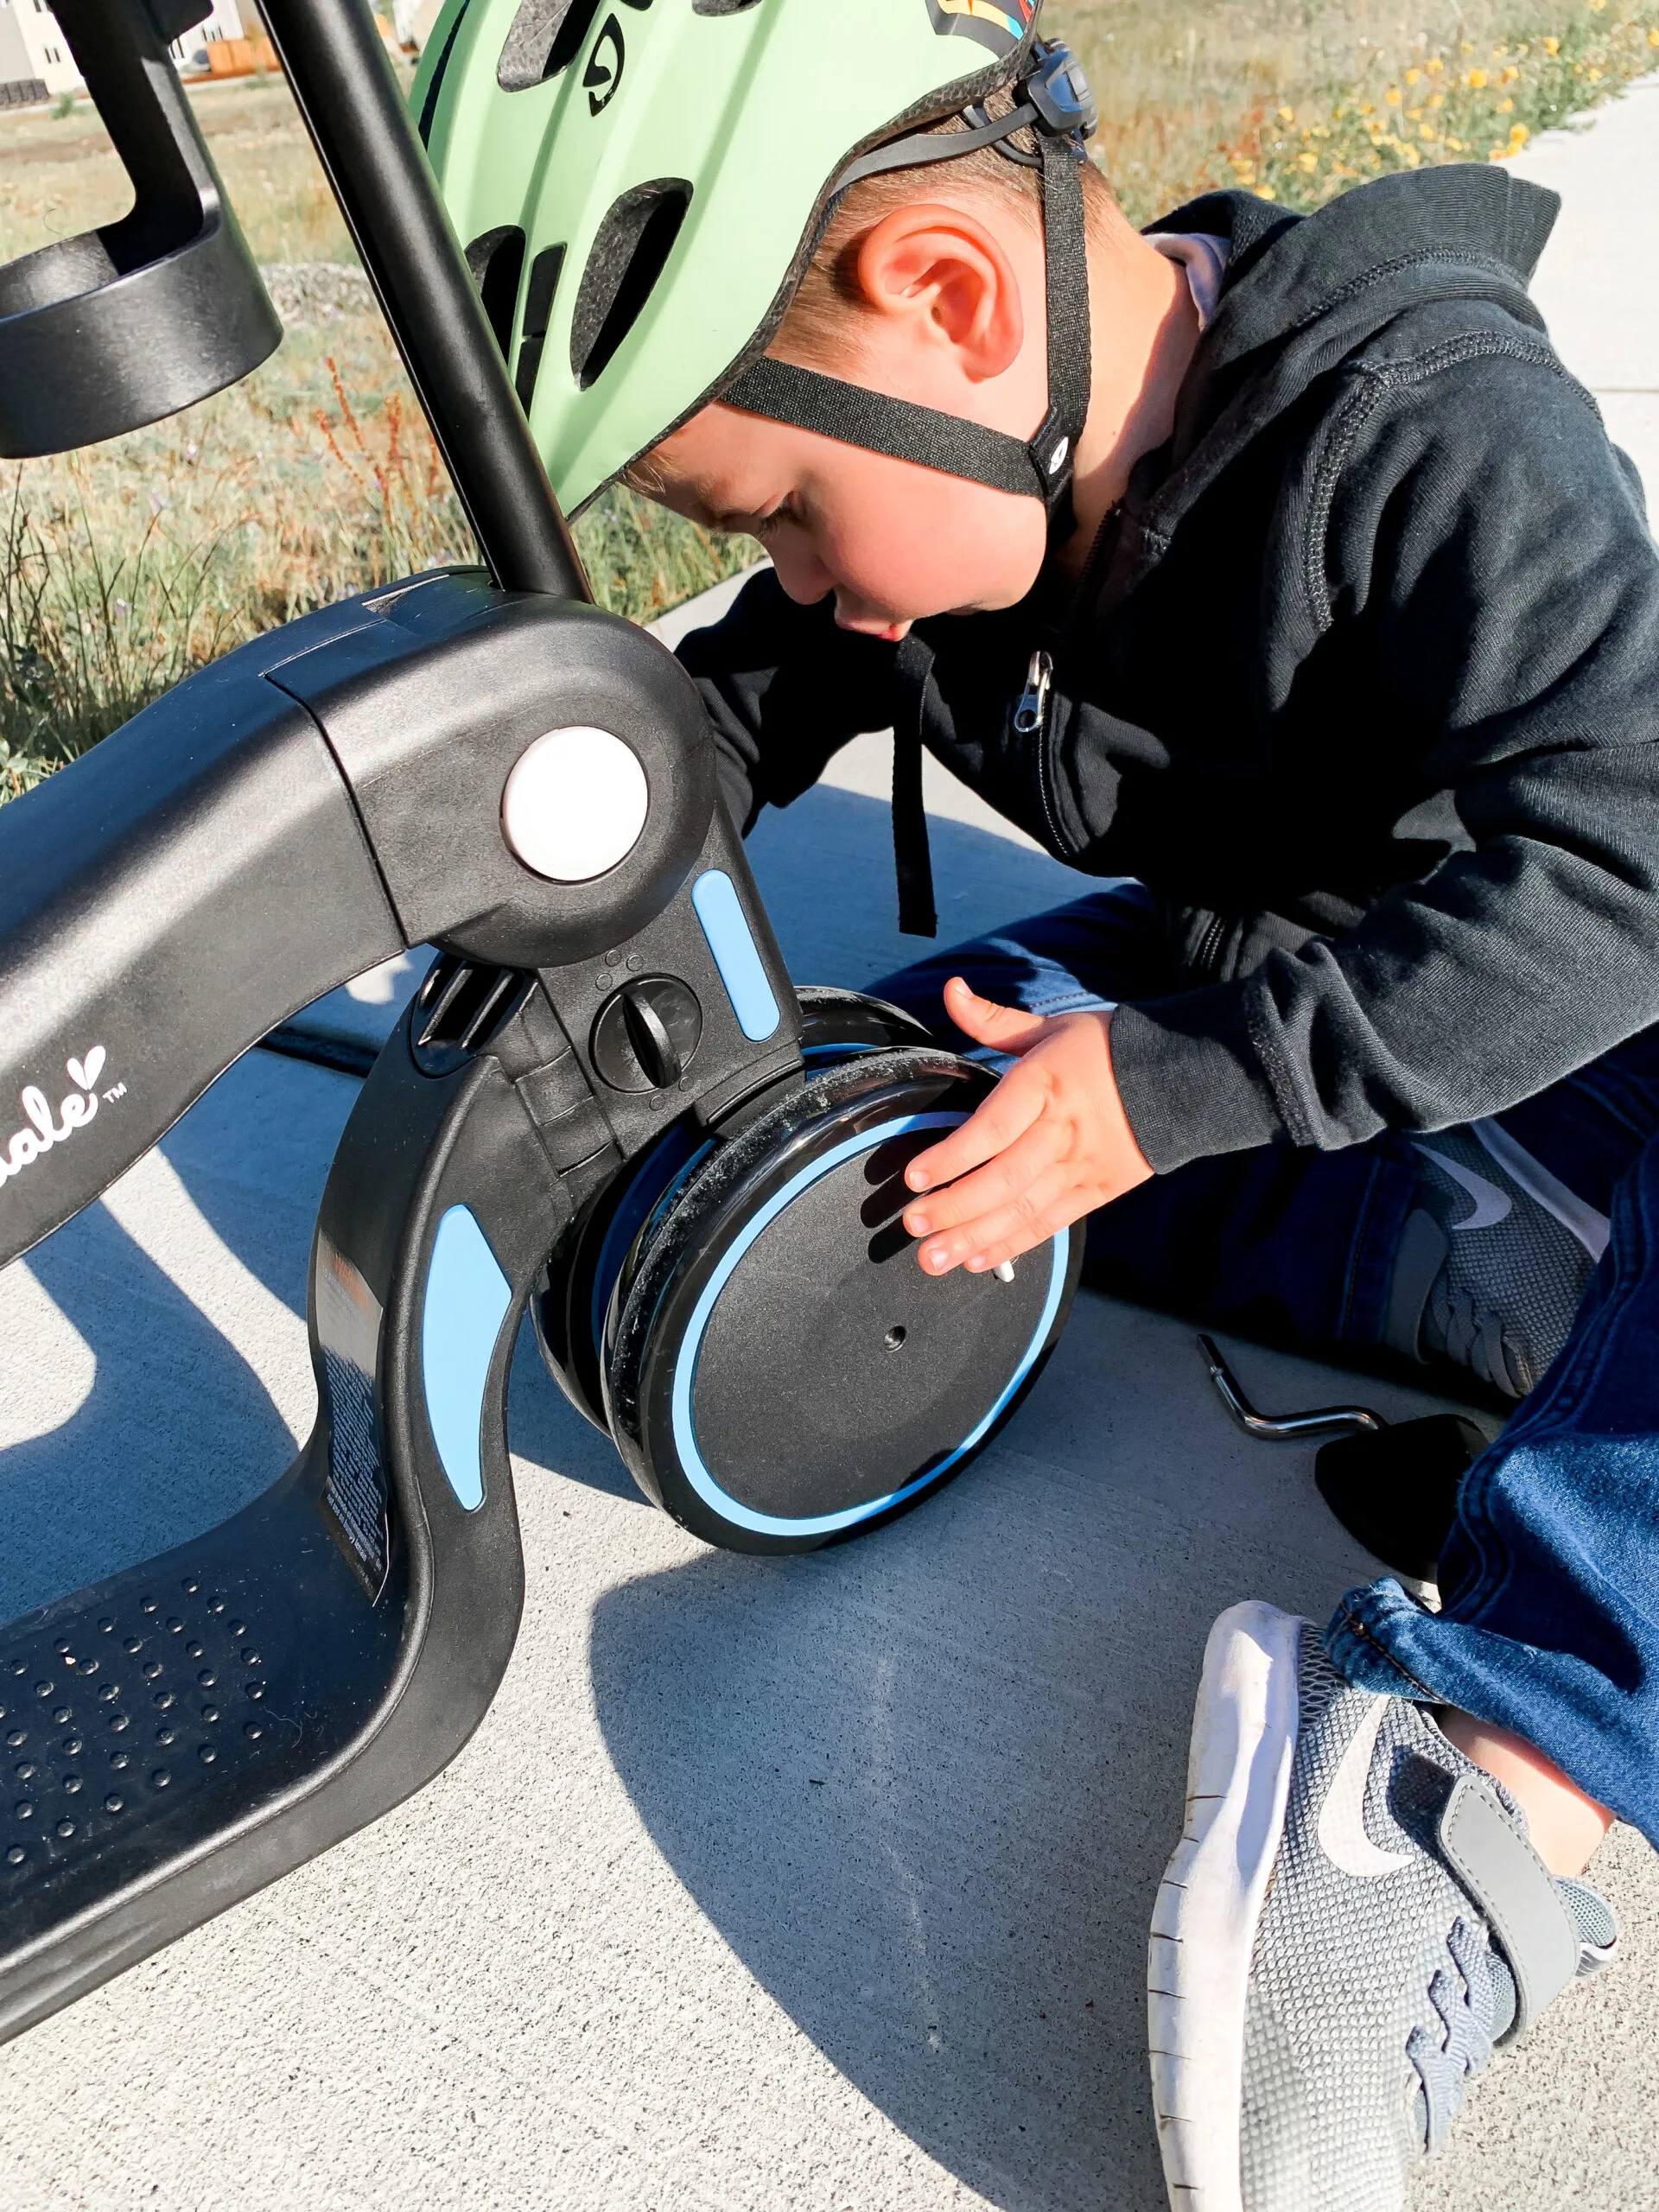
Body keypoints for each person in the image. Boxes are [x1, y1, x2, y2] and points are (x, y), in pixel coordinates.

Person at [424, 6, 1659, 2202]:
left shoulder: (1432, 420)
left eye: (786, 513)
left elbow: (1627, 865)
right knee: (881, 1093)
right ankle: (1496, 1256)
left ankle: (1486, 1770)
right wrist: (563, 874)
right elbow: (724, 712)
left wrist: (1185, 1090)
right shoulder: (954, 483)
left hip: (1583, 981)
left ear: (953, 303)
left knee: (1136, 1086)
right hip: (1299, 1011)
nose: (797, 579)